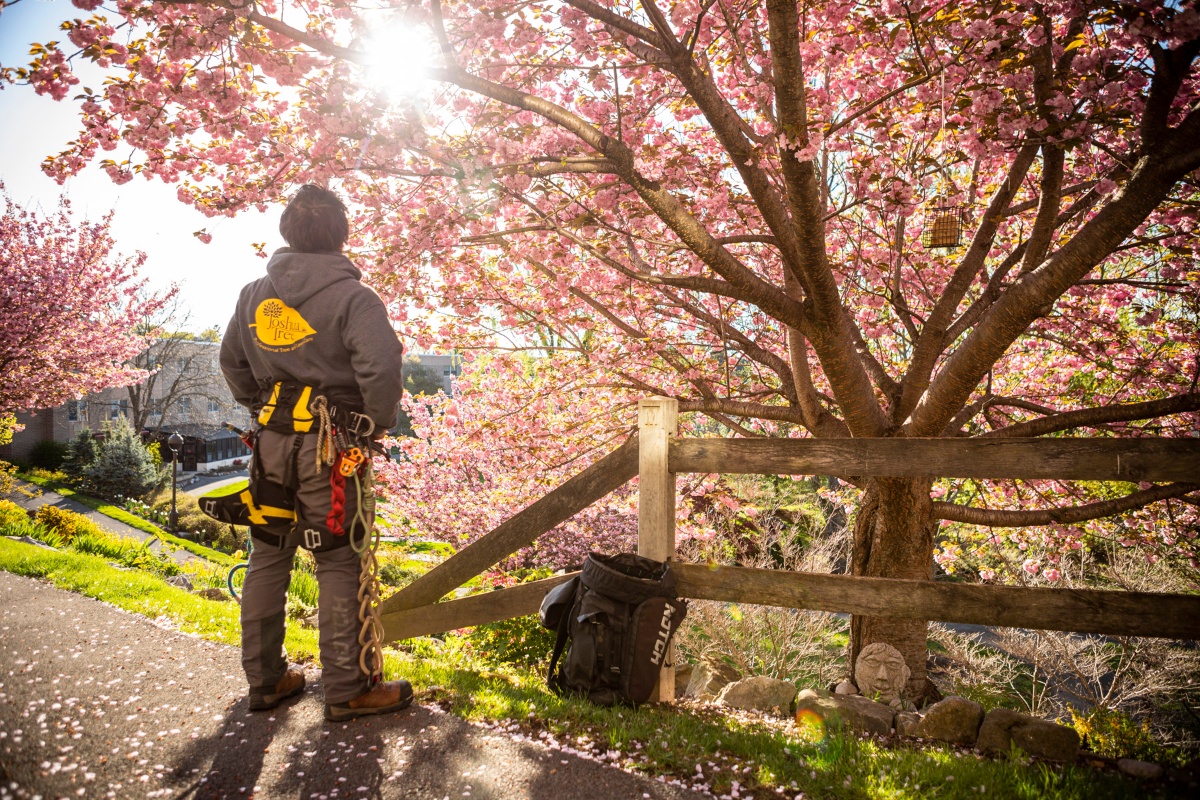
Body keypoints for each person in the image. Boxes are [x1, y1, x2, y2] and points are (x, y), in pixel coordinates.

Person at [219, 184, 410, 722]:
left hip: (270, 445)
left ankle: (266, 680)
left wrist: (263, 403)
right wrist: (373, 425)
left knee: (268, 554)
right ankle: (347, 689)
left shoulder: (255, 294)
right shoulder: (355, 298)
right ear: (341, 234)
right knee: (336, 560)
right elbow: (381, 371)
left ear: (287, 232)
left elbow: (231, 361)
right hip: (330, 447)